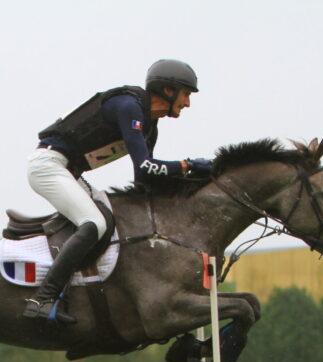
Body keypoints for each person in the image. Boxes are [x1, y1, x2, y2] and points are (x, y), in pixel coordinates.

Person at [23, 58, 212, 324]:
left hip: (69, 171)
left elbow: (144, 181)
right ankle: (42, 299)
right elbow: (146, 166)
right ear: (168, 91)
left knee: (109, 220)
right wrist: (186, 165)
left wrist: (193, 182)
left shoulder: (149, 126)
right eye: (186, 95)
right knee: (93, 223)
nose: (188, 103)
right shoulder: (129, 107)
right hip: (48, 165)